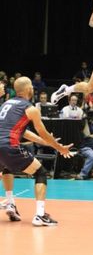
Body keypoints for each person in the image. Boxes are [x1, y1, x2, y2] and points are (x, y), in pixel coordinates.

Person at [0, 77, 73, 226]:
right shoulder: (30, 108)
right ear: (29, 90)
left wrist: (45, 142)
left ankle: (10, 203)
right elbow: (43, 132)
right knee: (40, 173)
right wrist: (59, 148)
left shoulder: (6, 104)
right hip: (9, 146)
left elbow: (24, 132)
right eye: (32, 87)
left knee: (6, 166)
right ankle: (40, 215)